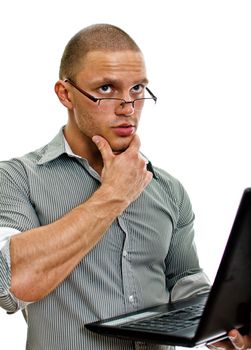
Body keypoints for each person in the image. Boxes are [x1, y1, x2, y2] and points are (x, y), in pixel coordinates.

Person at [0, 24, 250, 350]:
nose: (128, 107)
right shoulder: (17, 178)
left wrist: (221, 325)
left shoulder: (169, 189)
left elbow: (184, 278)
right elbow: (10, 284)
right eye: (106, 88)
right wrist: (114, 194)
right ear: (65, 94)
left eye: (137, 89)